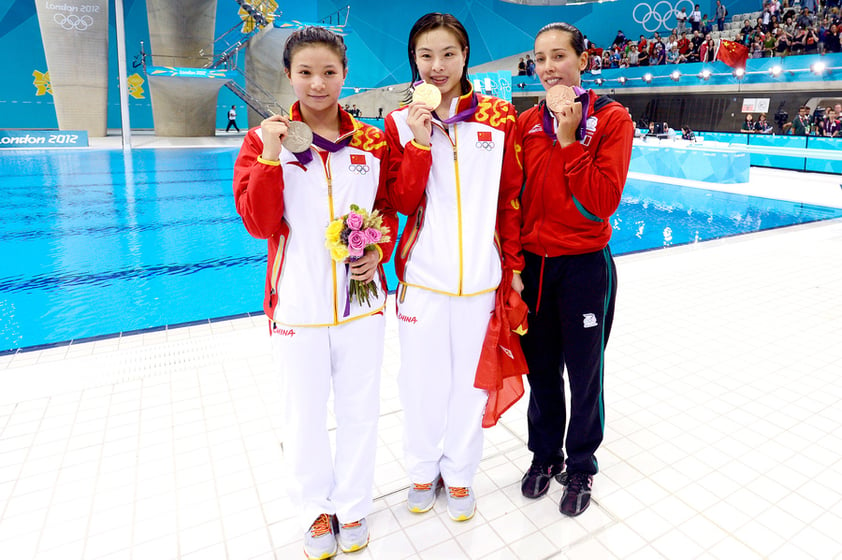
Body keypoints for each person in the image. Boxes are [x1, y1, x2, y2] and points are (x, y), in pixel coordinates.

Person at [232, 26, 398, 559]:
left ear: (345, 74)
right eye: (305, 72)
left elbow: (390, 209)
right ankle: (316, 510)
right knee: (302, 415)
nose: (318, 83)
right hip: (298, 306)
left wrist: (381, 248)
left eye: (329, 72)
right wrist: (272, 154)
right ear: (289, 76)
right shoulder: (263, 140)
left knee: (360, 411)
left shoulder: (372, 141)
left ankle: (352, 507)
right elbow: (258, 222)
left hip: (362, 302)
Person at [384, 12, 524, 523]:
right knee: (421, 382)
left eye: (448, 54)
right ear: (414, 61)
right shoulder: (399, 123)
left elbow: (510, 198)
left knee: (472, 382)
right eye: (426, 56)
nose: (437, 66)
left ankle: (461, 474)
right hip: (423, 281)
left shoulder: (499, 118)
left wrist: (511, 268)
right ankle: (423, 470)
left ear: (466, 56)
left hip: (481, 283)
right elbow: (401, 200)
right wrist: (420, 142)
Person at [517, 21, 633, 517]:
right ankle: (545, 456)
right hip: (534, 266)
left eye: (559, 56)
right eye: (540, 59)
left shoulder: (610, 119)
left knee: (585, 374)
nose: (548, 68)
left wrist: (569, 142)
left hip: (585, 266)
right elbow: (510, 200)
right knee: (542, 371)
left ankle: (581, 464)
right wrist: (511, 263)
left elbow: (603, 200)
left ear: (583, 61)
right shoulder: (523, 124)